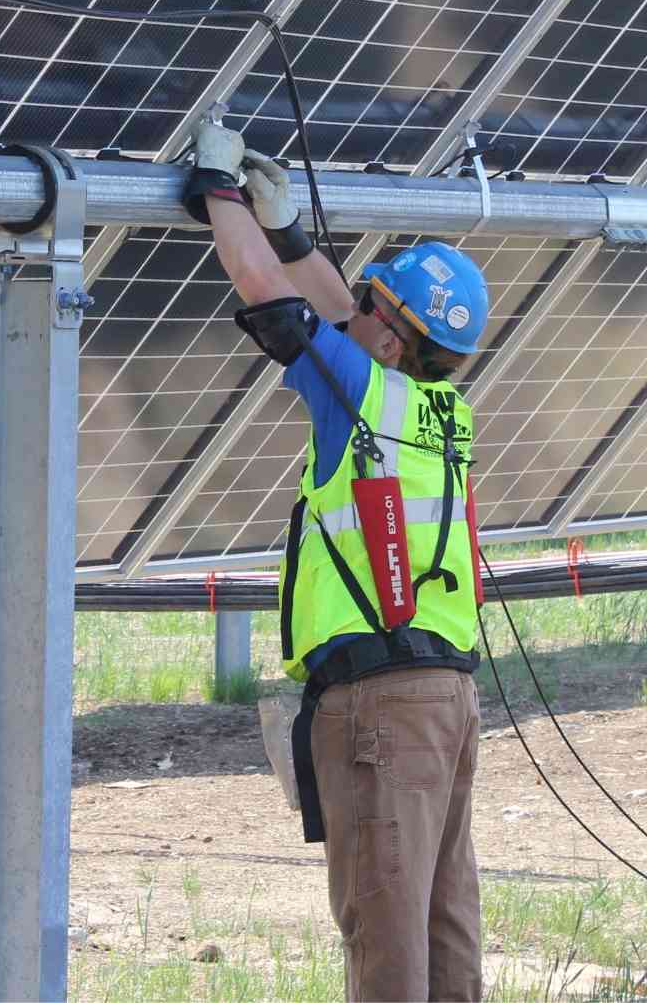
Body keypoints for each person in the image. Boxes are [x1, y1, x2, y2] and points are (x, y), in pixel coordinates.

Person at [184, 122, 491, 1001]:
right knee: (443, 928)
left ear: (390, 339)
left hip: (380, 711)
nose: (346, 310)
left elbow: (271, 298)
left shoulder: (357, 389)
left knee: (387, 940)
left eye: (368, 306)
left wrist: (221, 190)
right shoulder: (443, 411)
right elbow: (334, 308)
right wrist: (292, 234)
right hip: (449, 700)